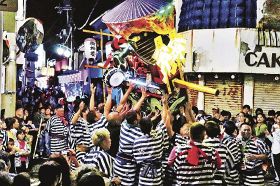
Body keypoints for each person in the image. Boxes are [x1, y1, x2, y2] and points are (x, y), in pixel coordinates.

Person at [133, 117, 164, 186]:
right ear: (152, 126)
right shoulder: (158, 136)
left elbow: (137, 158)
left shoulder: (137, 141)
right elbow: (163, 122)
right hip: (157, 173)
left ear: (140, 128)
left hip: (144, 173)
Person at [203, 120, 233, 185]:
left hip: (204, 181)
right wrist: (223, 175)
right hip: (219, 181)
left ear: (205, 132)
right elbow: (231, 162)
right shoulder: (223, 147)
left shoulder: (202, 145)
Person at [222, 121, 241, 185]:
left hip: (228, 172)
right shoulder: (236, 140)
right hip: (235, 171)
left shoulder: (225, 141)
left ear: (224, 129)